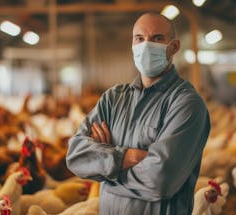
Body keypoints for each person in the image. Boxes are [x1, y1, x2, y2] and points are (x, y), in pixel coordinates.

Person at [66, 12, 210, 215]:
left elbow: (162, 180)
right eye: (140, 39)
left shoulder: (186, 103)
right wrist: (129, 156)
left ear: (174, 47)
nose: (146, 46)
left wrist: (105, 171)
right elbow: (76, 156)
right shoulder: (113, 98)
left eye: (157, 38)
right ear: (132, 45)